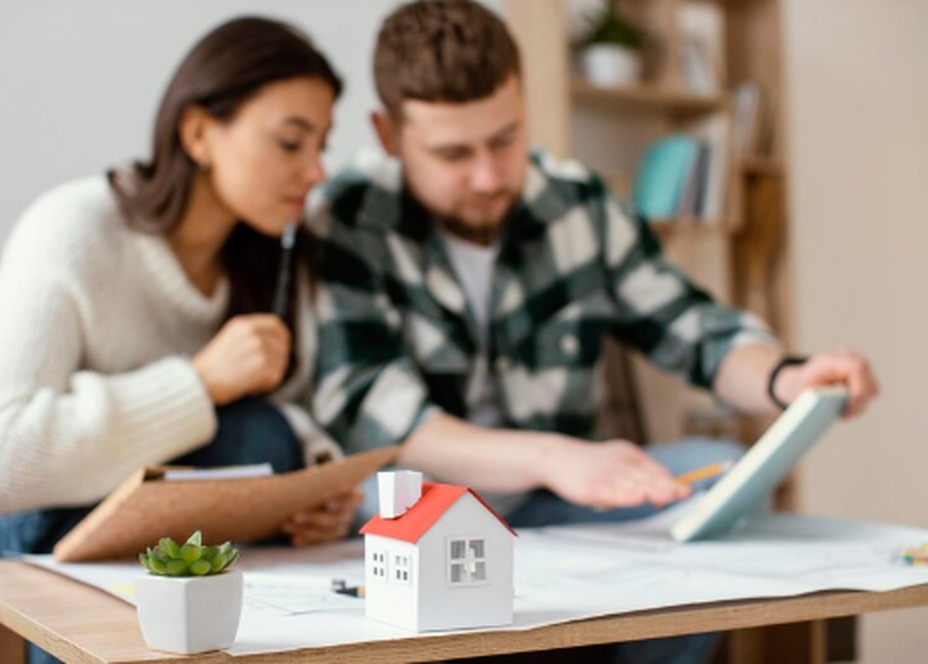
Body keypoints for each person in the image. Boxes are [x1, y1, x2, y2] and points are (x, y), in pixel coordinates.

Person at [311, 2, 879, 662]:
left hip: (557, 503)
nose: (490, 175)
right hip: (422, 516)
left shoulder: (578, 201)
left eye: (504, 139)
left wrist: (787, 377)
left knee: (712, 477)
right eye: (454, 153)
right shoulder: (348, 219)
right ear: (388, 134)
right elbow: (385, 420)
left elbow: (691, 326)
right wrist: (558, 456)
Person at [0, 16, 361, 589]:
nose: (315, 172)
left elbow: (283, 421)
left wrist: (317, 487)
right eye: (290, 142)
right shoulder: (72, 229)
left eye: (320, 146)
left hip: (149, 545)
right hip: (2, 530)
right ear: (198, 134)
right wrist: (198, 384)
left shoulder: (277, 256)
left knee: (260, 434)